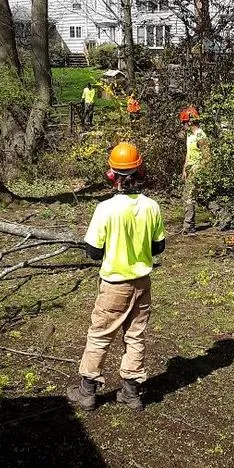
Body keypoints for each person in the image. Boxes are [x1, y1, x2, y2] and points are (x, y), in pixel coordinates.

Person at [67, 142, 165, 413]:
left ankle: (87, 391)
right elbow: (158, 247)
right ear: (139, 171)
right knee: (135, 336)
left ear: (112, 174)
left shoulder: (105, 209)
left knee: (100, 334)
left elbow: (93, 252)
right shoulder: (152, 207)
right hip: (142, 283)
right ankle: (131, 392)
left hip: (114, 284)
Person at [180, 107, 231, 235]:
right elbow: (189, 153)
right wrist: (184, 169)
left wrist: (198, 169)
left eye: (184, 122)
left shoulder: (200, 136)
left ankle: (188, 226)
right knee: (204, 197)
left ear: (190, 122)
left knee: (188, 197)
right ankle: (224, 217)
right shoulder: (190, 135)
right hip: (191, 170)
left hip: (199, 171)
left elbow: (207, 157)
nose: (183, 125)